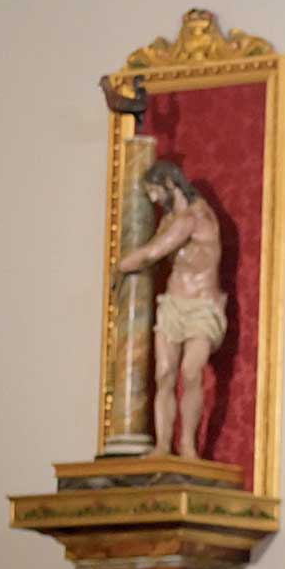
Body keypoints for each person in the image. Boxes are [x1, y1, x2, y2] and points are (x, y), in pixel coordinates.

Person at [115, 161, 227, 460]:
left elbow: (152, 253)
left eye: (154, 192)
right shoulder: (169, 220)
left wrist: (118, 264)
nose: (152, 200)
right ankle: (163, 446)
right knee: (164, 374)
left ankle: (188, 446)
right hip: (173, 304)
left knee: (191, 372)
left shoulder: (195, 217)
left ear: (169, 184)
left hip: (202, 305)